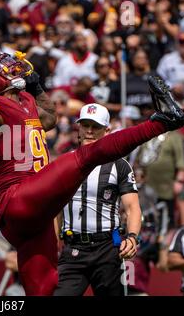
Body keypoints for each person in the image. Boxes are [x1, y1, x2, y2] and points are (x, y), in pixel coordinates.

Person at [0, 50, 184, 295]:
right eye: (2, 67)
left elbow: (50, 120)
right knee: (86, 156)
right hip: (19, 197)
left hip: (38, 214)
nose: (12, 67)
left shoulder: (23, 100)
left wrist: (37, 89)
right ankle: (162, 122)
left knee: (44, 289)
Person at [54, 103, 140, 296]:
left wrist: (133, 237)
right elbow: (55, 208)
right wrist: (53, 246)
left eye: (96, 126)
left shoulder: (120, 166)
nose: (90, 131)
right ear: (79, 127)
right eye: (85, 125)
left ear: (107, 130)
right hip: (72, 247)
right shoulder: (63, 162)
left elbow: (132, 207)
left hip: (107, 248)